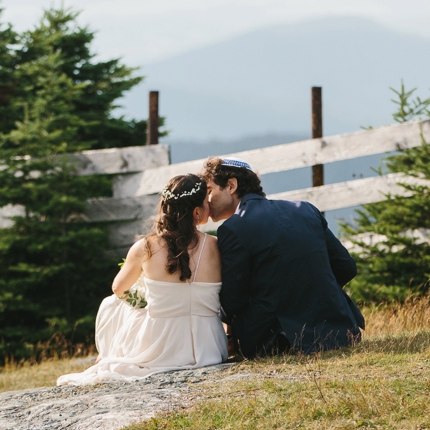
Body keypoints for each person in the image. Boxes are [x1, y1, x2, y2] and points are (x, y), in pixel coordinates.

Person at [57, 174, 228, 386]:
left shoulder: (145, 247)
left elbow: (118, 289)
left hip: (161, 346)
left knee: (112, 304)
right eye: (206, 202)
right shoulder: (216, 246)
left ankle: (110, 352)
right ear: (196, 212)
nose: (209, 206)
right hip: (210, 348)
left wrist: (145, 304)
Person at [202, 156, 364, 358]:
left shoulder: (233, 229)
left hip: (279, 341)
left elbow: (233, 302)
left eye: (209, 191)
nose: (206, 200)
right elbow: (346, 268)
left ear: (231, 185)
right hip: (338, 331)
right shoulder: (305, 209)